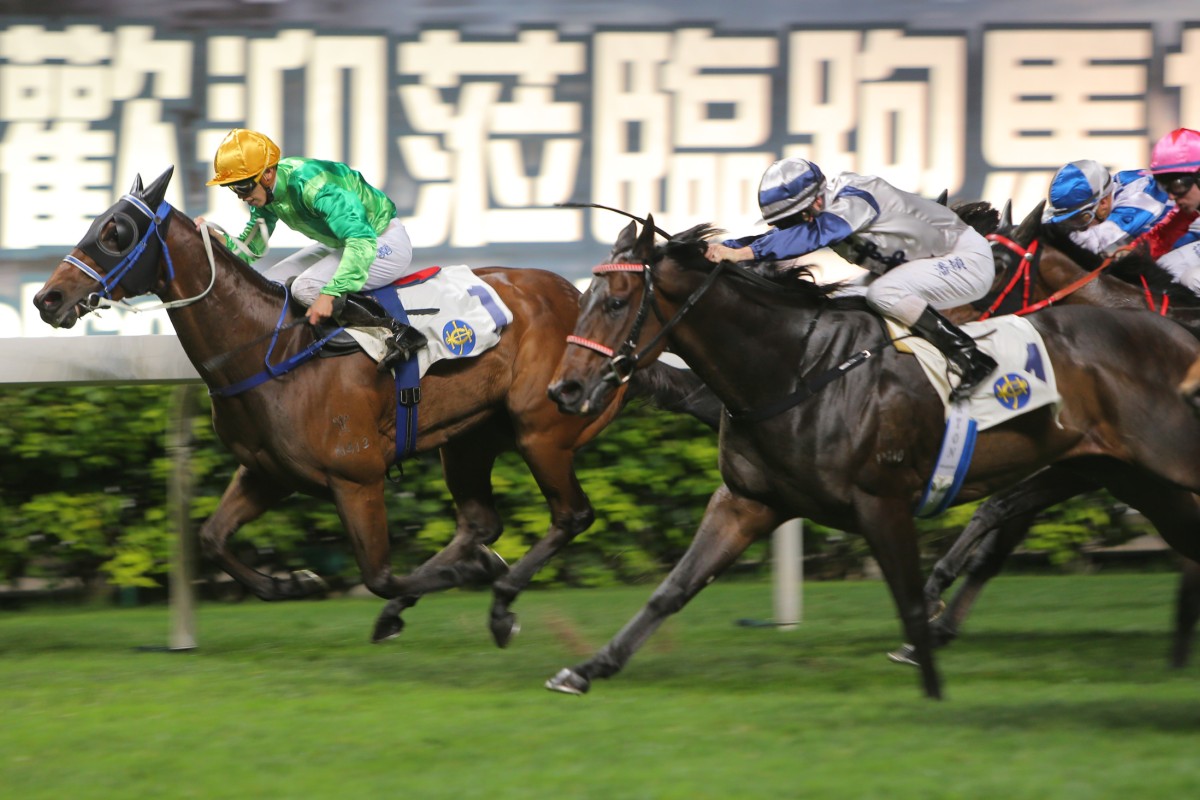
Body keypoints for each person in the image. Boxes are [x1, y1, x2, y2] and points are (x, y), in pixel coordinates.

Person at [705, 157, 997, 402]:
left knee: (883, 292)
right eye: (785, 221)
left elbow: (817, 234)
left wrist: (744, 254)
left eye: (794, 217)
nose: (790, 226)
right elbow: (776, 239)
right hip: (926, 267)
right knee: (838, 305)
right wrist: (717, 249)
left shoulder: (857, 195)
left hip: (963, 260)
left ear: (817, 200)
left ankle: (970, 357)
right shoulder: (815, 212)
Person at [202, 128, 426, 371]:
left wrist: (329, 294)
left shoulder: (313, 186)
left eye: (243, 187)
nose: (240, 197)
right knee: (268, 285)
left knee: (305, 287)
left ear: (267, 174)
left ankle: (398, 332)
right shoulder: (265, 196)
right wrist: (217, 240)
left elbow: (361, 241)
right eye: (233, 188)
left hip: (382, 241)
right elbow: (251, 248)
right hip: (343, 243)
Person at [1041, 157, 1200, 285]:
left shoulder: (1141, 196)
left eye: (1080, 219)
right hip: (1176, 243)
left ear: (1103, 203)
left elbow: (1096, 241)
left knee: (1170, 274)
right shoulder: (1104, 192)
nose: (1076, 228)